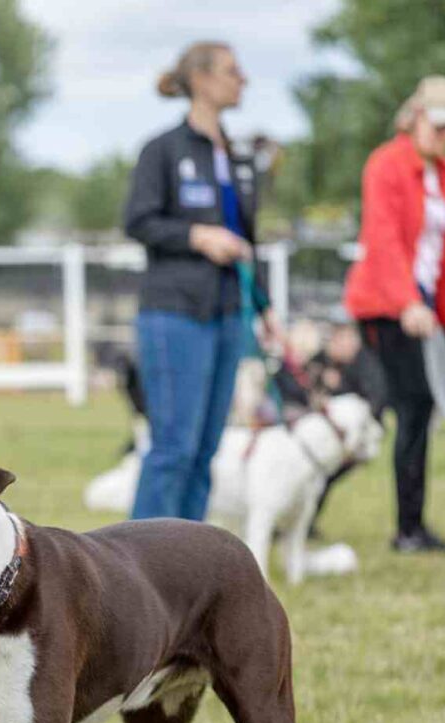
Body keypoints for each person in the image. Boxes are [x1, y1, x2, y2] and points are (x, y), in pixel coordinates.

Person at [124, 41, 284, 521]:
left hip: (228, 315)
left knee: (206, 450)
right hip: (175, 315)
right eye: (232, 71)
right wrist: (198, 235)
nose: (243, 80)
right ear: (201, 80)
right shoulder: (162, 150)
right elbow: (139, 221)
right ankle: (136, 564)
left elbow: (247, 242)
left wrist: (265, 308)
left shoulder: (238, 156)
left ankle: (186, 563)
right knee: (174, 446)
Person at [345, 75, 445, 553]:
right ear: (416, 115)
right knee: (409, 407)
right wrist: (407, 303)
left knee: (394, 409)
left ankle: (412, 526)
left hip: (432, 310)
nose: (444, 137)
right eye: (439, 126)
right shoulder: (387, 165)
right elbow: (384, 240)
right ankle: (409, 530)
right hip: (388, 307)